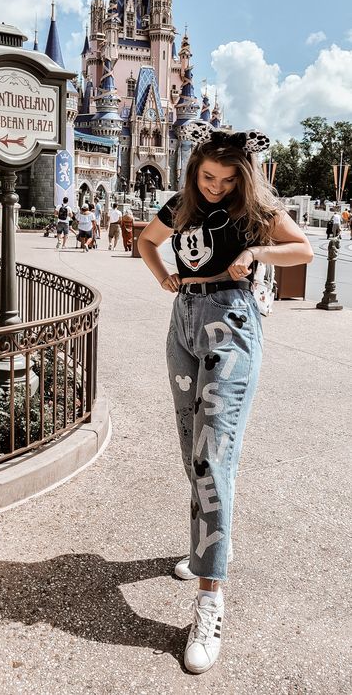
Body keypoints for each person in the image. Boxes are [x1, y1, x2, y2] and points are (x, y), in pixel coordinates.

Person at [138, 128, 313, 675]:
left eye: (227, 179)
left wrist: (256, 251)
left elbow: (302, 247)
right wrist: (164, 275)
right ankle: (215, 543)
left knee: (213, 459)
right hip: (184, 324)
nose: (215, 187)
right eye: (207, 177)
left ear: (242, 177)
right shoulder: (181, 203)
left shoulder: (252, 208)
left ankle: (211, 599)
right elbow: (147, 240)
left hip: (230, 325)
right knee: (193, 449)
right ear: (194, 172)